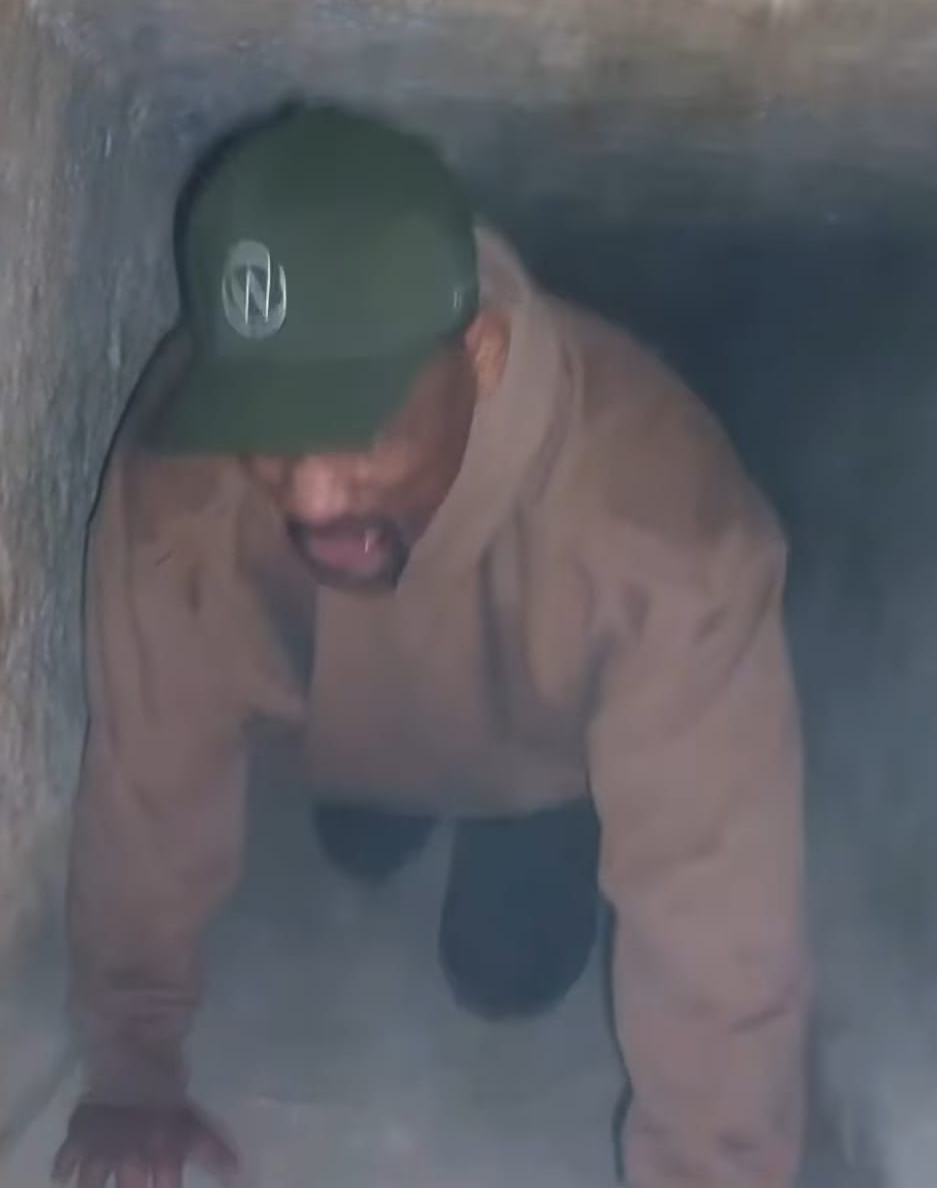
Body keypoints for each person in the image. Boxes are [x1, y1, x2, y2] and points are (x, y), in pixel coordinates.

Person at [53, 104, 808, 1188]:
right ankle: (378, 803)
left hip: (537, 755)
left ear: (481, 357)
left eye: (357, 432)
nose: (310, 498)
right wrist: (131, 1069)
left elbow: (718, 896)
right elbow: (149, 786)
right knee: (359, 843)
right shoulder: (182, 483)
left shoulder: (667, 529)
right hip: (337, 731)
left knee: (504, 973)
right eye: (270, 433)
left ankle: (507, 821)